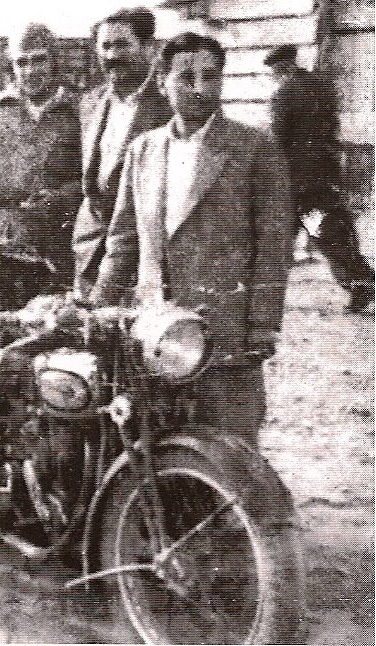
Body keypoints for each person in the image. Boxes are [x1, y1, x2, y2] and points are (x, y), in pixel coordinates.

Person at [92, 32, 294, 449]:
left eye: (211, 76)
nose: (200, 88)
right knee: (157, 444)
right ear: (161, 81)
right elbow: (124, 239)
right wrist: (100, 305)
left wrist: (263, 325)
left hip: (225, 327)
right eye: (186, 77)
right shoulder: (143, 150)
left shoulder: (253, 148)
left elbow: (274, 247)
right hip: (155, 328)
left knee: (230, 446)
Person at [0, 22, 83, 284]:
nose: (30, 71)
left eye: (39, 60)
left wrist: (62, 198)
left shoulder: (79, 111)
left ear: (54, 61)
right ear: (11, 66)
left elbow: (94, 176)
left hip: (61, 235)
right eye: (21, 62)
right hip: (3, 234)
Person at [265, 44, 374, 313]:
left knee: (302, 235)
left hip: (297, 184)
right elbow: (331, 129)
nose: (274, 77)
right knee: (328, 234)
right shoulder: (323, 87)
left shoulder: (284, 94)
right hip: (324, 175)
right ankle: (361, 283)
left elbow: (278, 139)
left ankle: (364, 283)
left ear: (282, 68)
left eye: (275, 72)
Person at [72, 7, 171, 298]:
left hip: (146, 254)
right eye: (106, 46)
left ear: (149, 47)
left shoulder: (170, 105)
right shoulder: (91, 103)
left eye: (122, 45)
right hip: (90, 251)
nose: (112, 55)